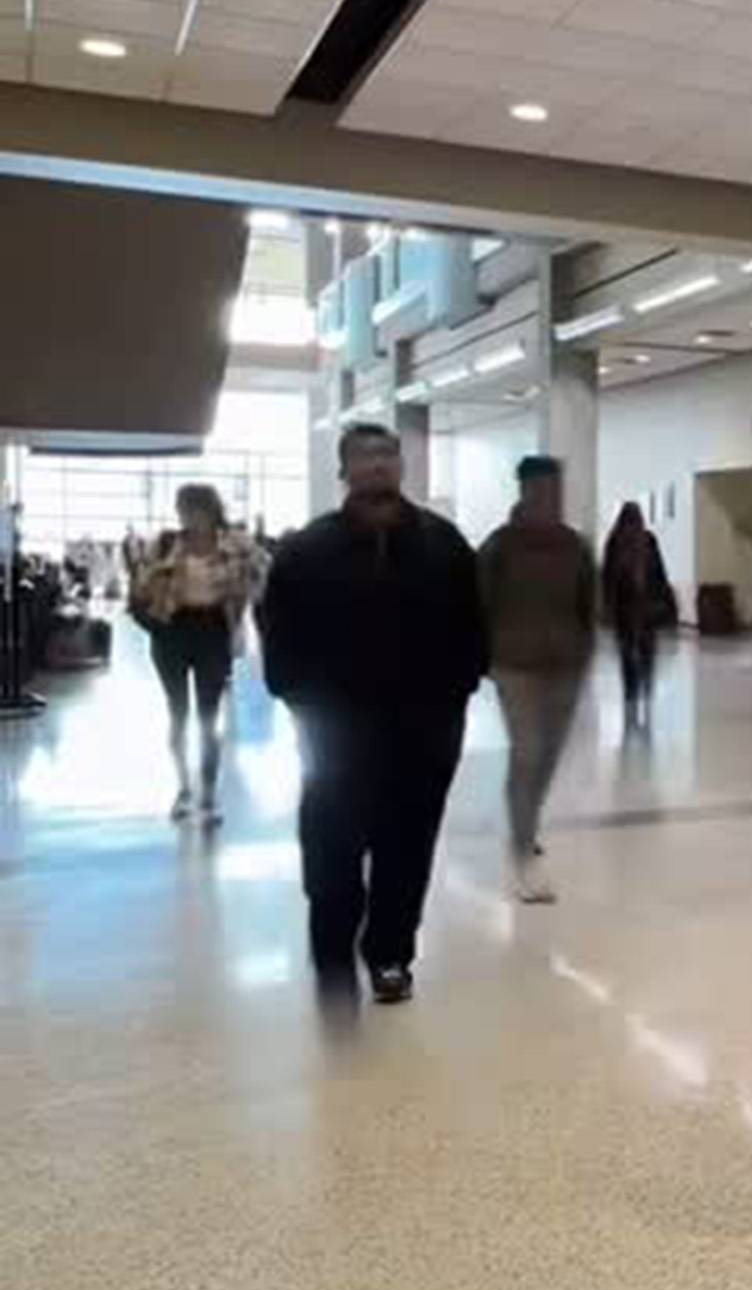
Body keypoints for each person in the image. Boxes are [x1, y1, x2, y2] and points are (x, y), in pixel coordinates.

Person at [259, 424, 486, 1009]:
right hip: (336, 731)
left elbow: (473, 626)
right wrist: (299, 697)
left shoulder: (443, 543)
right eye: (364, 458)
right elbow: (277, 633)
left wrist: (456, 692)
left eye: (387, 456)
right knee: (332, 847)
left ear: (402, 467)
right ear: (344, 472)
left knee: (407, 849)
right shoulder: (307, 551)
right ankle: (332, 954)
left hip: (425, 728)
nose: (378, 467)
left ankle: (389, 953)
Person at [480, 457, 595, 904]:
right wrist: (484, 657)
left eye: (557, 490)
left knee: (547, 757)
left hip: (565, 662)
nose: (551, 499)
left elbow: (588, 603)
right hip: (515, 664)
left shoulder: (574, 547)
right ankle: (523, 849)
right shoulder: (500, 546)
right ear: (525, 491)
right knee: (527, 752)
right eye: (542, 490)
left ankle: (524, 823)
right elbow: (480, 603)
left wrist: (584, 652)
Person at [131, 484, 259, 827]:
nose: (189, 516)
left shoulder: (235, 545)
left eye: (196, 509)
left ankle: (208, 792)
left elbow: (257, 581)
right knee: (177, 712)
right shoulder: (165, 544)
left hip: (212, 631)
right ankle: (183, 788)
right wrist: (153, 622)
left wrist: (239, 612)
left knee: (209, 714)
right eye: (184, 509)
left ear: (212, 509)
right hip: (172, 629)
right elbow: (139, 588)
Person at [602, 501, 674, 729]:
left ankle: (638, 693)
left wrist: (664, 599)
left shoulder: (646, 540)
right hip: (629, 607)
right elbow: (608, 577)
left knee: (642, 653)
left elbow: (659, 572)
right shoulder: (617, 542)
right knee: (632, 654)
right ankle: (635, 695)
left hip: (644, 607)